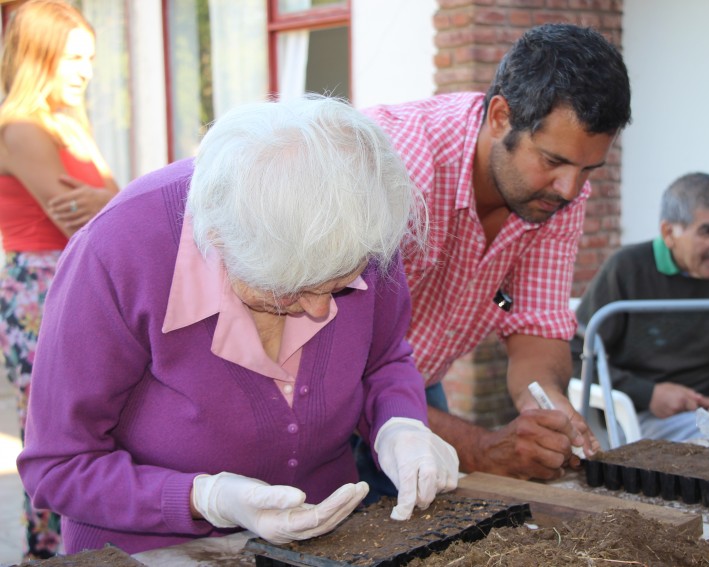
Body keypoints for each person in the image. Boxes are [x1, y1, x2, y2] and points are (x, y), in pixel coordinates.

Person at [17, 95, 459, 555]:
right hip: (146, 553)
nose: (316, 309)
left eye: (339, 285)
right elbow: (59, 466)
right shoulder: (115, 254)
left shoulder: (354, 223)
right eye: (286, 291)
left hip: (326, 544)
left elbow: (384, 359)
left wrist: (399, 426)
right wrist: (204, 498)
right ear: (218, 239)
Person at [358, 22, 632, 491]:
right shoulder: (396, 170)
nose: (571, 188)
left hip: (417, 387)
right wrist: (481, 449)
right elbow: (336, 368)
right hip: (318, 398)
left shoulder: (555, 197)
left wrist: (546, 405)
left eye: (588, 169)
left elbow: (536, 326)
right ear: (501, 116)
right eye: (553, 161)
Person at [0, 0, 118, 559]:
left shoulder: (67, 123)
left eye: (90, 57)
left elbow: (110, 207)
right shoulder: (22, 127)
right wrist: (112, 201)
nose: (85, 69)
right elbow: (78, 216)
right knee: (54, 430)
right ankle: (46, 552)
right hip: (39, 292)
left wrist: (110, 201)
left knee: (91, 419)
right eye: (73, 57)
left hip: (75, 282)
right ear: (39, 56)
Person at [573, 172, 709, 441]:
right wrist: (648, 393)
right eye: (707, 230)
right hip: (644, 414)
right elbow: (575, 354)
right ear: (669, 233)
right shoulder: (627, 269)